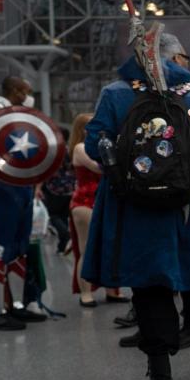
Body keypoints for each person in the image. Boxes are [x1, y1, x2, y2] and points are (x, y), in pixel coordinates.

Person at [82, 33, 190, 380]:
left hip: (135, 210)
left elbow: (94, 145)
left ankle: (161, 378)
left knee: (150, 288)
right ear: (174, 60)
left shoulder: (116, 94)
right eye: (184, 56)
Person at [0, 76, 47, 330]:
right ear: (15, 91)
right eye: (26, 91)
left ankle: (17, 305)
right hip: (0, 183)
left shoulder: (18, 111)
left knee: (19, 245)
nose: (29, 95)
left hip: (22, 181)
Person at [67, 113, 126, 307]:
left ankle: (111, 290)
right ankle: (86, 294)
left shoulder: (94, 146)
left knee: (110, 247)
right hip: (84, 203)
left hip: (102, 201)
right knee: (86, 249)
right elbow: (100, 167)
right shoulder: (80, 148)